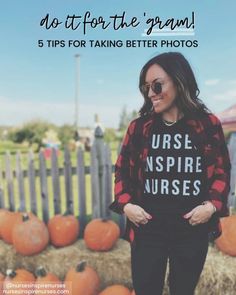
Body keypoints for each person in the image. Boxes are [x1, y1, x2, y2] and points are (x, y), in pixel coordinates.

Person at [109, 52, 231, 295]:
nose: (151, 93)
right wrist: (126, 206)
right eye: (146, 88)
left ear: (179, 80)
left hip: (191, 229)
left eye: (157, 85)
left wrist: (210, 206)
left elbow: (221, 170)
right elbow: (121, 171)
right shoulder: (139, 127)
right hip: (148, 229)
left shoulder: (208, 125)